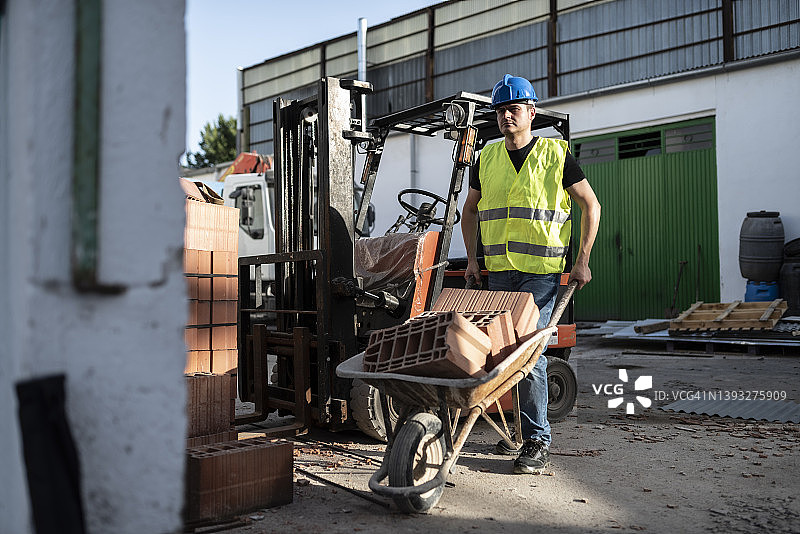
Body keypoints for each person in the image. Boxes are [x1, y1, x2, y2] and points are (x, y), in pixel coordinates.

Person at [461, 74, 601, 474]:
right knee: (503, 353)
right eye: (501, 110)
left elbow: (592, 206)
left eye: (514, 109)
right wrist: (472, 259)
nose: (507, 115)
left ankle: (538, 441)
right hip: (500, 273)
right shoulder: (486, 158)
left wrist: (583, 260)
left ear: (531, 112)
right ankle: (519, 434)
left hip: (540, 276)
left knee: (529, 355)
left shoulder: (556, 155)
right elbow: (470, 210)